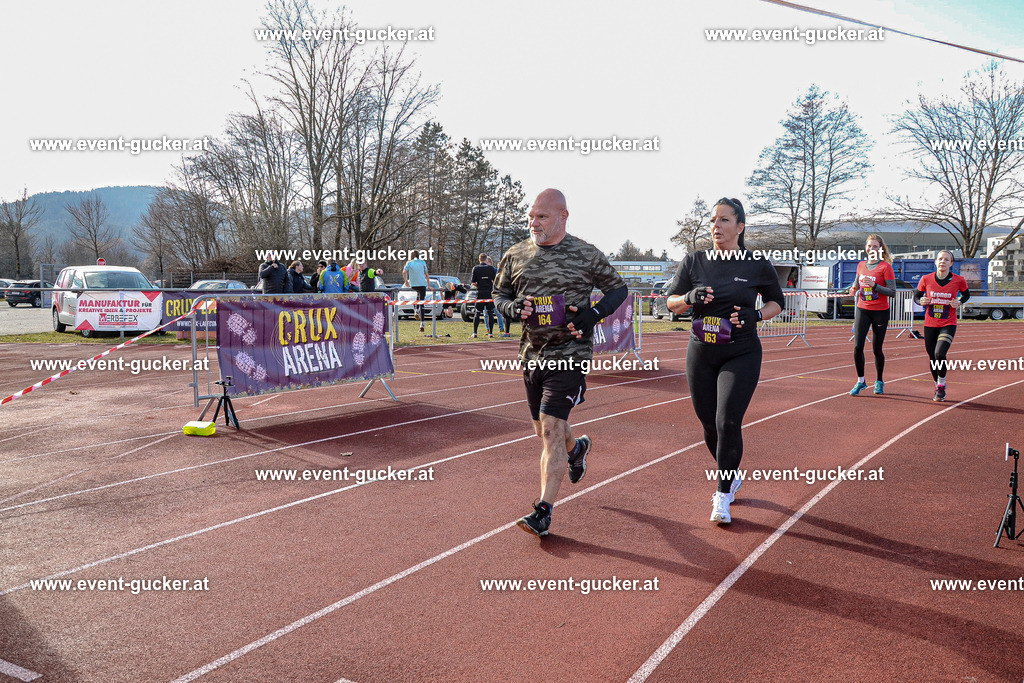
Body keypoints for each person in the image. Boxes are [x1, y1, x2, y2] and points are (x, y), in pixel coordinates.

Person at [493, 188, 628, 537]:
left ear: (563, 216)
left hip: (569, 356)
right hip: (531, 354)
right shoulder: (516, 253)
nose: (534, 222)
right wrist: (512, 309)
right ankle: (577, 448)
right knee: (542, 430)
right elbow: (500, 295)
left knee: (551, 428)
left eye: (542, 216)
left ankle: (543, 511)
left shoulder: (585, 253)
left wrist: (592, 315)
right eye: (531, 215)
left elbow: (618, 289)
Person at [665, 197, 784, 525]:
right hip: (701, 352)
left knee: (727, 422)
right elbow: (671, 303)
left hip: (741, 352)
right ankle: (730, 473)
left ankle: (722, 494)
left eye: (724, 220)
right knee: (709, 424)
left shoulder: (756, 263)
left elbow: (778, 302)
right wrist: (688, 298)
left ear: (739, 227)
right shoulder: (694, 261)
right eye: (713, 220)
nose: (716, 226)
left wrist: (756, 314)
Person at [914, 250, 970, 401]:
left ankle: (941, 385)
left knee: (940, 353)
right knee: (932, 357)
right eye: (940, 259)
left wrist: (959, 302)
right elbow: (916, 297)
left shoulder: (959, 280)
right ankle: (937, 384)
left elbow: (966, 294)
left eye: (946, 259)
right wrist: (921, 302)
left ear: (951, 263)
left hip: (948, 323)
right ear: (935, 261)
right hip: (930, 323)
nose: (942, 262)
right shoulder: (926, 279)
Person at [849, 234, 896, 396]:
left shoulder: (885, 267)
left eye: (875, 246)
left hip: (880, 311)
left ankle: (879, 380)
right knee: (857, 347)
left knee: (877, 348)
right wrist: (853, 288)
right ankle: (861, 381)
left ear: (880, 248)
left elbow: (892, 292)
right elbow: (856, 282)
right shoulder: (861, 265)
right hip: (863, 309)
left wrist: (875, 285)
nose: (871, 249)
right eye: (869, 246)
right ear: (866, 248)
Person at [471, 253, 498, 338]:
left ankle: (475, 332)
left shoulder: (475, 268)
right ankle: (491, 333)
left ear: (479, 259)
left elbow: (473, 282)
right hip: (489, 292)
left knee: (477, 312)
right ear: (486, 260)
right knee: (490, 312)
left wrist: (478, 285)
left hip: (480, 292)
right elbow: (495, 281)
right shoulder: (491, 268)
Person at [403, 253, 430, 332]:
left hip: (413, 284)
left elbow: (404, 272)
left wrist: (406, 281)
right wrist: (428, 285)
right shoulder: (422, 262)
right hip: (422, 284)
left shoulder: (409, 262)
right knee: (422, 301)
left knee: (418, 294)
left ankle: (416, 309)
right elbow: (427, 275)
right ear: (418, 256)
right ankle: (422, 323)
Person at [485, 256, 511, 337]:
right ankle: (488, 329)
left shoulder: (503, 273)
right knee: (486, 313)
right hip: (490, 294)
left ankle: (503, 329)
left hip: (500, 295)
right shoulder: (491, 271)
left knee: (499, 312)